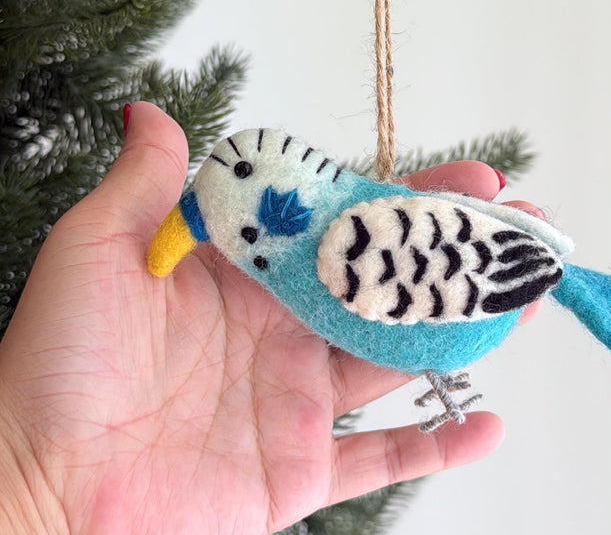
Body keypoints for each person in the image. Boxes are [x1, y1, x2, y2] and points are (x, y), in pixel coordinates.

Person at [0, 102, 544, 533]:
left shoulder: (350, 243)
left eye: (238, 178)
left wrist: (39, 498)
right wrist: (37, 491)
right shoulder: (304, 246)